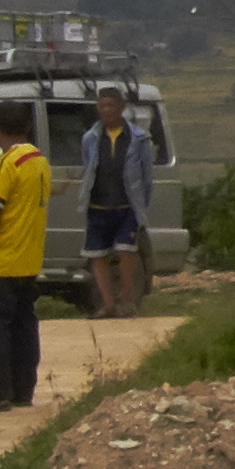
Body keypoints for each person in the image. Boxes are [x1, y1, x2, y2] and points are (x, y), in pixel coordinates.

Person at [0, 101, 51, 414]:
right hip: (29, 261)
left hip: (1, 261)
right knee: (24, 327)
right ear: (28, 128)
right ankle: (22, 389)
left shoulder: (6, 163)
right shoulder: (40, 161)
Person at [80, 88, 163, 318]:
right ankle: (108, 304)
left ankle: (127, 299)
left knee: (126, 252)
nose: (106, 110)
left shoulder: (138, 139)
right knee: (97, 254)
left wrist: (141, 207)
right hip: (98, 205)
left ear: (121, 107)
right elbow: (88, 168)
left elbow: (146, 177)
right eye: (102, 106)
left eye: (111, 105)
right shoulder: (90, 138)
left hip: (127, 205)